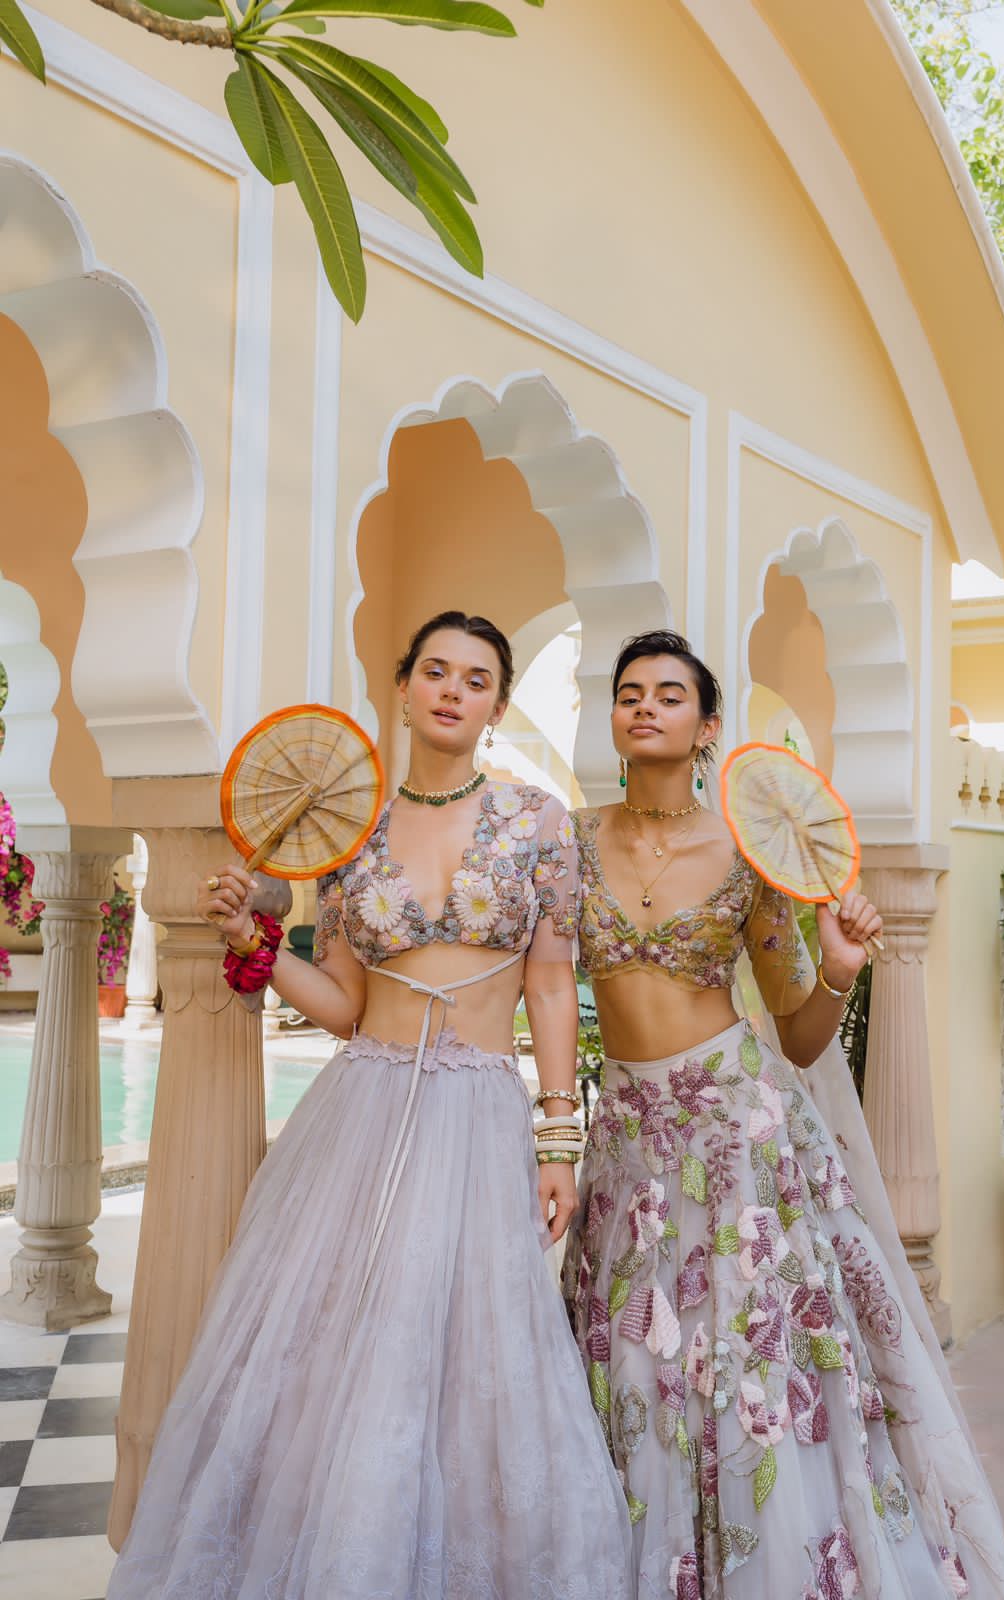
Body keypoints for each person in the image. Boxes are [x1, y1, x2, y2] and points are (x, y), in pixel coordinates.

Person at [109, 610, 633, 1599]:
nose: (451, 690)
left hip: (480, 1117)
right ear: (402, 687)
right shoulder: (354, 834)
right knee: (329, 1345)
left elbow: (553, 984)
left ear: (497, 703)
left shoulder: (538, 823)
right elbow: (347, 1005)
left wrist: (558, 1135)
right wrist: (255, 947)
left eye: (475, 678)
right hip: (361, 1111)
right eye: (434, 671)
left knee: (468, 1352)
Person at [563, 629, 1004, 1600]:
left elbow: (800, 1033)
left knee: (742, 1369)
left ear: (707, 726)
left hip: (737, 1148)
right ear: (611, 716)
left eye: (669, 694)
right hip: (625, 1150)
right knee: (638, 1369)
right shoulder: (568, 842)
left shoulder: (746, 854)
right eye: (629, 692)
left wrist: (845, 972)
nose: (645, 705)